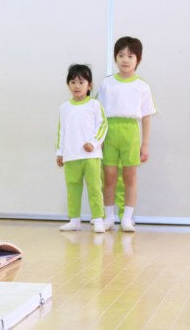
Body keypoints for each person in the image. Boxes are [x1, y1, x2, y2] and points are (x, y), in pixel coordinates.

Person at [98, 36, 157, 232]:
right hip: (110, 130)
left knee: (130, 176)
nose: (125, 59)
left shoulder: (142, 86)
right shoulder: (107, 84)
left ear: (137, 59)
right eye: (121, 55)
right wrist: (98, 139)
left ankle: (127, 218)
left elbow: (147, 116)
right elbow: (98, 114)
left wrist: (145, 144)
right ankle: (109, 217)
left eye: (130, 56)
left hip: (131, 131)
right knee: (109, 176)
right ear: (115, 58)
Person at [56, 64, 108, 233]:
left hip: (91, 156)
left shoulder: (94, 105)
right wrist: (60, 153)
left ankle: (98, 219)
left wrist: (93, 143)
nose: (77, 86)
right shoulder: (64, 107)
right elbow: (61, 131)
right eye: (72, 82)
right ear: (68, 85)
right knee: (73, 189)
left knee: (94, 187)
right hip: (71, 157)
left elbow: (102, 126)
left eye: (81, 82)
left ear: (89, 85)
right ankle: (74, 219)